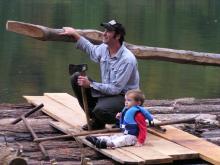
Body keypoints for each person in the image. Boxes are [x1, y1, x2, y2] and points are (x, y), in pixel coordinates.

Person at [60, 20, 140, 130]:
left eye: (108, 31)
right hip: (109, 93)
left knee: (101, 110)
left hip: (126, 97)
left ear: (117, 36)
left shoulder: (127, 59)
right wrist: (75, 35)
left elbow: (116, 89)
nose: (104, 33)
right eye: (105, 30)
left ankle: (126, 120)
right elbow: (92, 50)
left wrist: (91, 84)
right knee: (76, 77)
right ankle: (98, 121)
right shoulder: (104, 48)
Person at [86, 89, 154, 148]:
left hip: (134, 137)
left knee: (123, 139)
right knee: (115, 137)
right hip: (125, 133)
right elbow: (126, 123)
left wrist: (140, 141)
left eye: (129, 100)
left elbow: (143, 128)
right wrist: (119, 118)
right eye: (125, 100)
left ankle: (108, 144)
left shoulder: (138, 114)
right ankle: (98, 139)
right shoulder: (127, 110)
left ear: (138, 103)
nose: (126, 102)